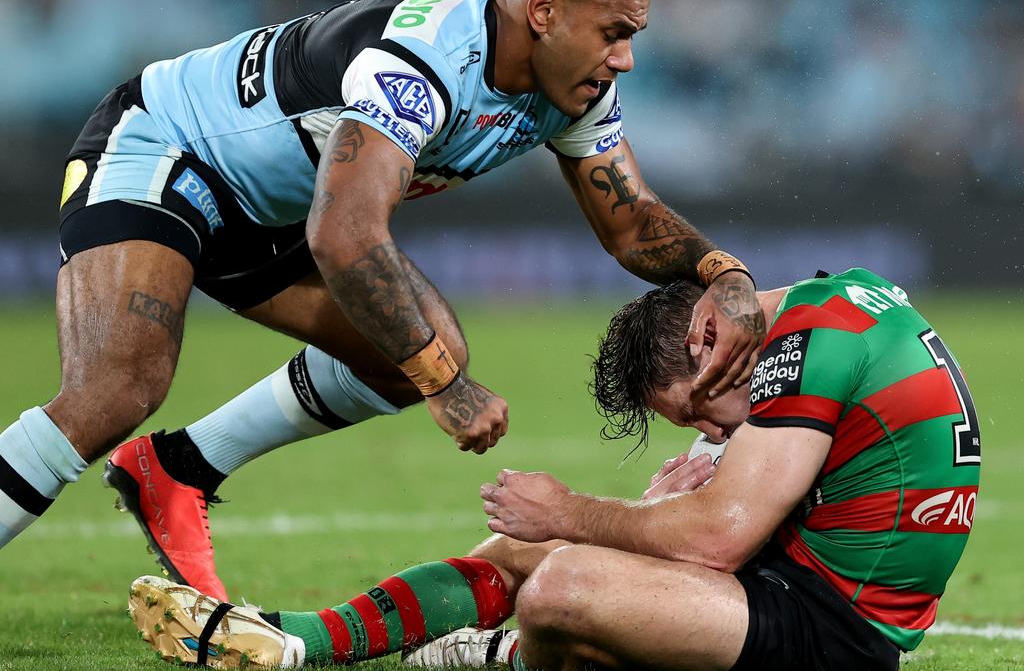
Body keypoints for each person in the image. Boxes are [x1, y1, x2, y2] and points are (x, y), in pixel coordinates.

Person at [0, 0, 764, 603]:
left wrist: (723, 274)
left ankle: (179, 469)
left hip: (266, 209)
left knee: (426, 345)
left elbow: (630, 224)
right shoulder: (421, 63)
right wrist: (443, 386)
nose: (625, 60)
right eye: (614, 33)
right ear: (544, 11)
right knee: (117, 388)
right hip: (167, 149)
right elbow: (346, 236)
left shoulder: (572, 84)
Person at [125, 268, 980, 670]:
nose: (712, 433)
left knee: (565, 587)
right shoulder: (829, 303)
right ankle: (298, 642)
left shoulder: (806, 347)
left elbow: (719, 536)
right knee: (524, 551)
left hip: (836, 632)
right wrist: (667, 501)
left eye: (697, 413)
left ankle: (500, 658)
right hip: (800, 575)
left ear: (707, 342)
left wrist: (571, 510)